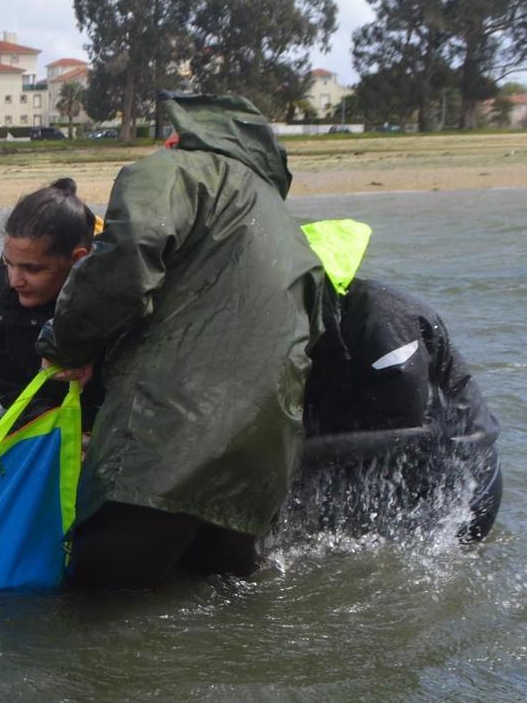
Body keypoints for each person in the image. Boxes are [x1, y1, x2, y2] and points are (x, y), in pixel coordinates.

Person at [39, 94, 328, 591]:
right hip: (257, 467)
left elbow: (127, 257)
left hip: (165, 448)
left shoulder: (172, 170)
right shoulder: (285, 224)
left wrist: (68, 344)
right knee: (213, 615)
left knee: (91, 620)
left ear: (182, 134)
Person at [294, 218, 502, 541]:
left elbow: (400, 436)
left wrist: (298, 456)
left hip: (466, 485)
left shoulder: (384, 326)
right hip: (393, 461)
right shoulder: (319, 328)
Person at [0, 177, 104, 428]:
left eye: (31, 269)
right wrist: (54, 434)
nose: (15, 281)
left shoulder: (116, 293)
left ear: (77, 259)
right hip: (30, 413)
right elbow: (4, 382)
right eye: (9, 263)